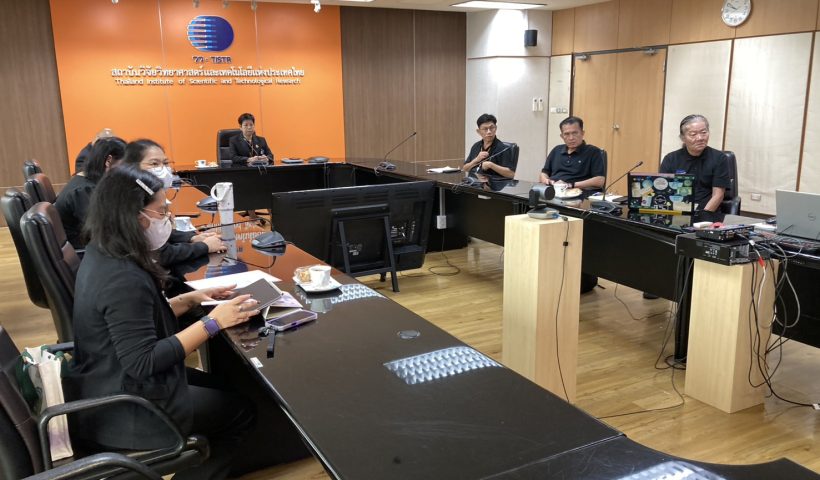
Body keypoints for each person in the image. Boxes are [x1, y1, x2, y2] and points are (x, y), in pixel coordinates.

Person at [64, 166, 259, 479]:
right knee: (241, 412)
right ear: (135, 216)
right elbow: (143, 361)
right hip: (126, 406)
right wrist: (212, 323)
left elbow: (136, 320)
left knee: (227, 387)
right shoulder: (122, 278)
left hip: (106, 380)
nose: (168, 217)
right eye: (162, 210)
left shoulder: (104, 253)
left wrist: (191, 299)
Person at [123, 139, 226, 269]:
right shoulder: (131, 197)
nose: (163, 169)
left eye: (166, 163)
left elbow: (155, 233)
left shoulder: (145, 190)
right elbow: (159, 254)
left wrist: (192, 238)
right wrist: (204, 247)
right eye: (154, 164)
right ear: (132, 166)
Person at [55, 136, 126, 249]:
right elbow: (102, 231)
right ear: (108, 161)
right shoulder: (82, 191)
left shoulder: (86, 181)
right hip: (83, 251)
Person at [660, 114, 730, 212]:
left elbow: (718, 195)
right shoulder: (670, 159)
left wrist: (703, 215)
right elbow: (663, 190)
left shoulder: (719, 158)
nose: (700, 138)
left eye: (704, 132)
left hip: (708, 213)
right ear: (683, 138)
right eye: (693, 134)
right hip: (678, 211)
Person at [540, 116, 605, 190]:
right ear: (562, 136)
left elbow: (600, 180)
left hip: (577, 192)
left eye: (575, 133)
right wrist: (546, 181)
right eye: (566, 134)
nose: (571, 138)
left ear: (582, 133)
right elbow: (544, 173)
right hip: (553, 191)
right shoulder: (556, 150)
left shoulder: (593, 151)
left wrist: (570, 185)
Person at [462, 113, 516, 179]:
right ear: (478, 131)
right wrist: (476, 160)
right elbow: (465, 169)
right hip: (475, 182)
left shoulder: (503, 148)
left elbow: (511, 174)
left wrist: (491, 165)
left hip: (493, 184)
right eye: (485, 129)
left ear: (496, 128)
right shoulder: (476, 146)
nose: (489, 132)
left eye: (491, 128)